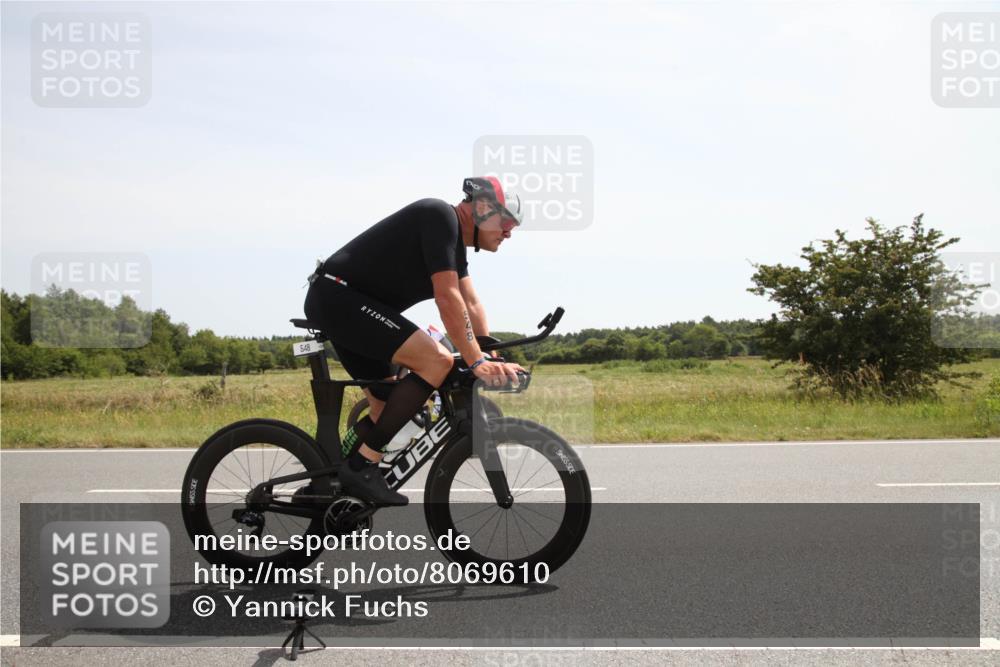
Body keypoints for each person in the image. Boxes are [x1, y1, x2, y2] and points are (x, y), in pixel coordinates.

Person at [303, 177, 527, 506]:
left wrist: (489, 354)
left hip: (350, 305)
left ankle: (329, 490)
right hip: (338, 297)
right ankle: (363, 466)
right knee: (436, 360)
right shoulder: (440, 217)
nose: (509, 232)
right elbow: (448, 297)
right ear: (481, 208)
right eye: (506, 221)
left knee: (388, 413)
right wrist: (476, 361)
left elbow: (471, 303)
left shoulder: (454, 247)